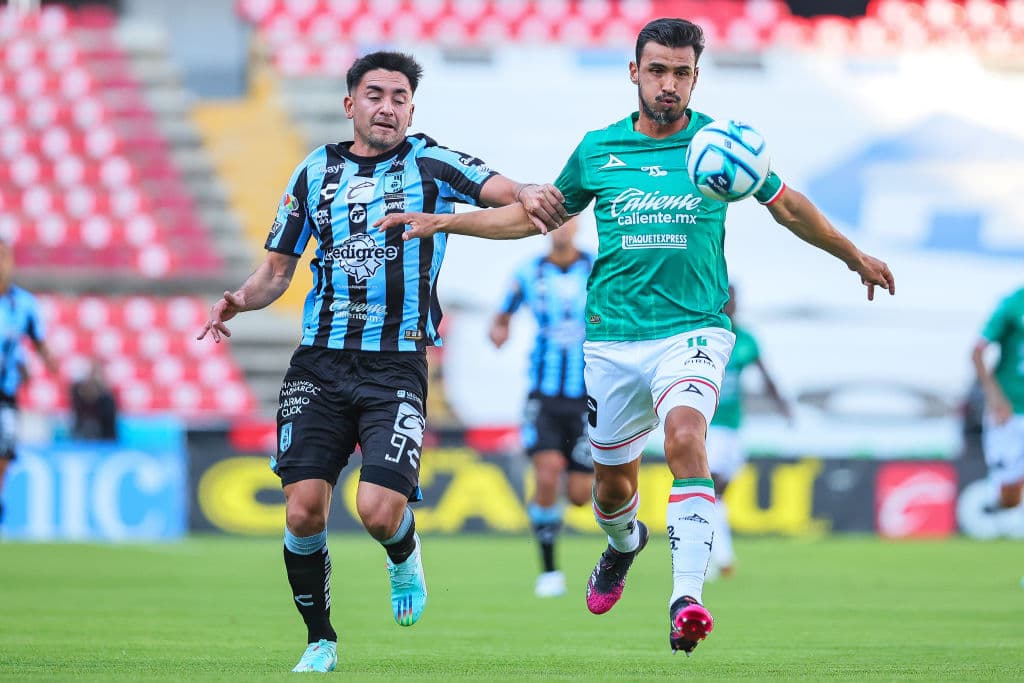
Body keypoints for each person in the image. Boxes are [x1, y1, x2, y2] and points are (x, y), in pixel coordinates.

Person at [375, 18, 895, 655]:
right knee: (612, 490)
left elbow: (787, 205)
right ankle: (625, 545)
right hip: (613, 342)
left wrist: (853, 256)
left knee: (684, 438)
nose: (669, 84)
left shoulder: (722, 146)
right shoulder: (598, 151)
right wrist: (442, 220)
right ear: (634, 72)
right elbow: (531, 218)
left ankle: (685, 600)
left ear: (695, 76)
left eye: (681, 72)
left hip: (694, 331)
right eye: (658, 71)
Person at [196, 51, 565, 673]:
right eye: (375, 94)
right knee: (302, 508)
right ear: (350, 104)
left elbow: (509, 196)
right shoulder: (314, 172)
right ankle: (320, 639)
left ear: (411, 109)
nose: (388, 106)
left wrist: (515, 193)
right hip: (319, 361)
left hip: (395, 366)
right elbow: (277, 271)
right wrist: (241, 300)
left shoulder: (429, 160)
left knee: (377, 511)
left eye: (399, 96)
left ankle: (403, 554)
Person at [488, 217, 594, 598]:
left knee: (581, 495)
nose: (562, 229)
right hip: (543, 395)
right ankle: (549, 571)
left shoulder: (598, 267)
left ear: (578, 226)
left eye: (570, 221)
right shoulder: (527, 272)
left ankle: (568, 496)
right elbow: (501, 315)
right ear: (546, 228)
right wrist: (498, 330)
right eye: (557, 223)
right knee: (547, 473)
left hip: (588, 394)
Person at [705, 284, 792, 578]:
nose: (730, 306)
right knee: (711, 487)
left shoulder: (746, 340)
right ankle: (719, 556)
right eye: (725, 300)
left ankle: (715, 552)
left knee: (720, 492)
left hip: (733, 426)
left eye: (733, 301)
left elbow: (764, 374)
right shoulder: (704, 334)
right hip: (708, 424)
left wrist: (783, 406)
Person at [0, 237, 58, 525]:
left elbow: (39, 342)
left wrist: (47, 361)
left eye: (4, 257)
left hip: (5, 395)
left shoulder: (23, 304)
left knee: (4, 455)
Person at [971, 286, 1024, 533]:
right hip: (1011, 410)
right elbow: (977, 351)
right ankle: (995, 509)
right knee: (1009, 493)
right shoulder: (1013, 304)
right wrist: (994, 398)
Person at [69, 359, 118, 441]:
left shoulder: (107, 397)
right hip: (81, 437)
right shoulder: (78, 392)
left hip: (104, 439)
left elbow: (109, 422)